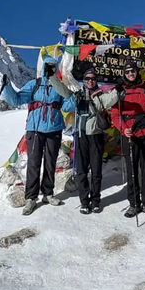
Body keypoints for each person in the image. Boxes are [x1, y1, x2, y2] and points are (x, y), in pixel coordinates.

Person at [2, 57, 76, 216]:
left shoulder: (59, 86)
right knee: (34, 163)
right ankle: (31, 198)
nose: (50, 68)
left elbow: (68, 104)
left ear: (55, 68)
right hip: (34, 129)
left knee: (50, 162)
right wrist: (7, 87)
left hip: (54, 129)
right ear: (44, 67)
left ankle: (48, 194)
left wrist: (75, 96)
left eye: (53, 66)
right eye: (48, 66)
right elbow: (16, 99)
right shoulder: (34, 85)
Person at [50, 66, 119, 214]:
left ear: (96, 80)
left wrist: (120, 88)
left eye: (93, 78)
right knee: (81, 171)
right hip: (80, 135)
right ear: (84, 80)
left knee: (96, 170)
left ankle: (95, 201)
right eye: (87, 78)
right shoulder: (77, 95)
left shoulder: (101, 95)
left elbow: (111, 99)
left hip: (96, 135)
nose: (90, 81)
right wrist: (52, 78)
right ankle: (84, 201)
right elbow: (64, 92)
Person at [109, 62, 145, 219]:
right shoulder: (119, 90)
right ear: (124, 74)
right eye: (127, 71)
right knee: (131, 171)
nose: (130, 73)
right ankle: (134, 203)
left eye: (133, 71)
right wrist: (123, 129)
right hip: (129, 135)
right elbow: (115, 114)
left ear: (137, 72)